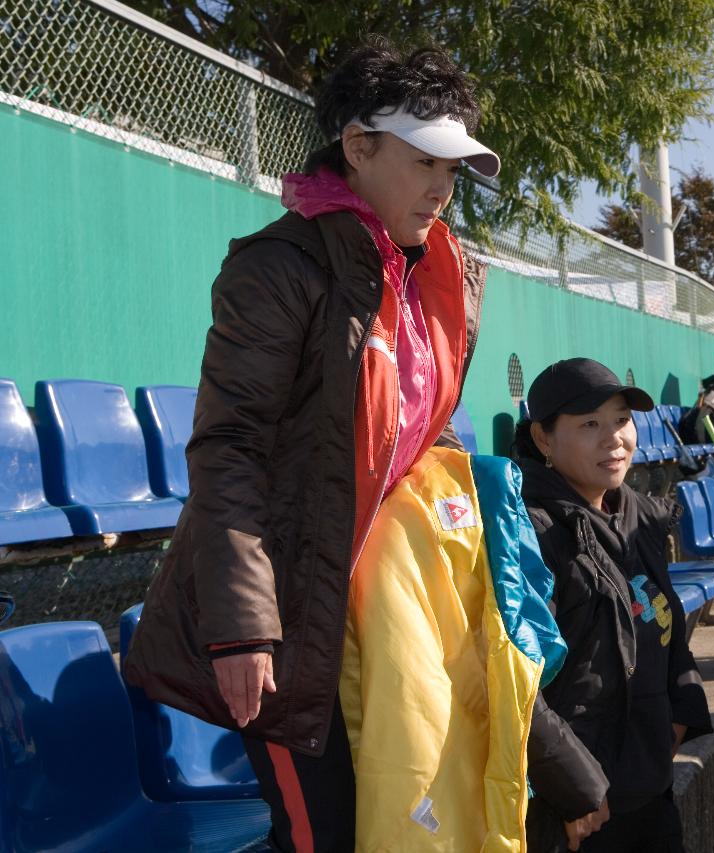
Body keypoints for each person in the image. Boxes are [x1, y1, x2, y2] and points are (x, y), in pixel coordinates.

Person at [124, 40, 499, 850]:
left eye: (454, 166)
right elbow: (229, 447)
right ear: (358, 147)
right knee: (321, 833)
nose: (443, 185)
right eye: (426, 159)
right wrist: (244, 627)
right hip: (292, 616)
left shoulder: (440, 275)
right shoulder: (280, 268)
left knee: (397, 824)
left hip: (382, 606)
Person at [514, 358, 713, 853]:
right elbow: (516, 679)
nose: (614, 438)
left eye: (621, 419)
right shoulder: (530, 534)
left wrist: (678, 715)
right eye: (588, 424)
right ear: (543, 439)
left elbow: (666, 624)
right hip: (579, 812)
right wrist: (574, 789)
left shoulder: (638, 515)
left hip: (647, 785)